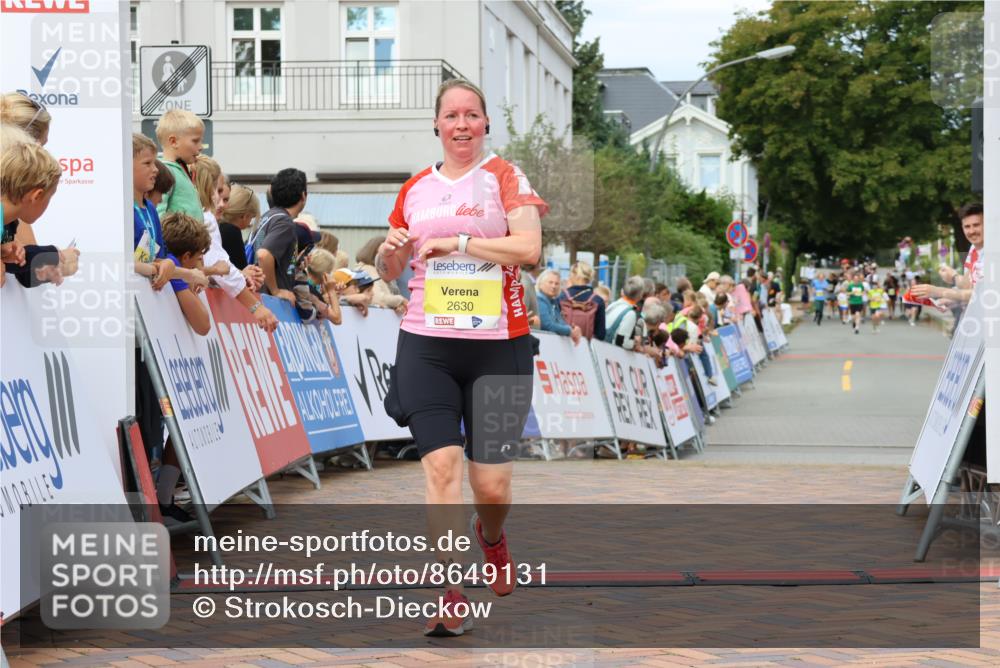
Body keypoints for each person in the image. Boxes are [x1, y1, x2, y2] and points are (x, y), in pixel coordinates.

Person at [373, 79, 545, 637]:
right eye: (452, 115)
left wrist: (463, 244)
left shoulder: (505, 178)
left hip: (499, 347)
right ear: (437, 125)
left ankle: (491, 537)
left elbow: (529, 250)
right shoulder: (416, 189)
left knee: (491, 486)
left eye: (472, 114)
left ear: (486, 123)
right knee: (441, 468)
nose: (462, 124)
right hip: (427, 344)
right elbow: (389, 271)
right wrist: (387, 255)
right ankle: (451, 592)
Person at [194, 155, 277, 332]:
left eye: (226, 198)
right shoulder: (208, 220)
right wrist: (256, 307)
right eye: (218, 191)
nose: (220, 202)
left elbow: (220, 269)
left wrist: (238, 273)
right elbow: (218, 267)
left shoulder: (205, 219)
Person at [1, 138, 77, 288]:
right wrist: (54, 254)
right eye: (50, 197)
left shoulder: (8, 222)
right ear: (37, 196)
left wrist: (3, 254)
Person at [250, 168, 309, 306]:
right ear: (303, 196)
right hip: (271, 303)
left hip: (258, 297)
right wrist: (276, 291)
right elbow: (264, 255)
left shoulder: (267, 217)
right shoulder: (284, 223)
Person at [911, 203, 983, 305]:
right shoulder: (973, 249)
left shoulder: (993, 252)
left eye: (976, 225)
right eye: (967, 226)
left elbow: (984, 294)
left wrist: (938, 291)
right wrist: (953, 300)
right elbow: (969, 287)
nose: (971, 231)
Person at [160, 212, 212, 336]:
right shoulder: (173, 265)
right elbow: (203, 326)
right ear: (186, 256)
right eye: (198, 257)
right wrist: (190, 280)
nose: (199, 263)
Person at [155, 109, 205, 221]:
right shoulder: (166, 172)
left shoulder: (180, 171)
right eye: (195, 141)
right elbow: (158, 214)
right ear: (173, 141)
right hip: (178, 239)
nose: (201, 146)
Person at [355, 235, 408, 315]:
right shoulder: (368, 270)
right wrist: (401, 300)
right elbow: (376, 298)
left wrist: (398, 306)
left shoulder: (382, 274)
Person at [560, 261, 605, 340]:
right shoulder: (598, 300)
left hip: (563, 344)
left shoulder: (561, 297)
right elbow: (601, 334)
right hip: (586, 347)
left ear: (573, 275)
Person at [536, 269, 581, 343]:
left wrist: (572, 329)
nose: (553, 286)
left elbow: (559, 322)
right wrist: (570, 330)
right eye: (550, 282)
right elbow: (547, 325)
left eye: (557, 283)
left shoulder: (553, 302)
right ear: (541, 283)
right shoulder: (539, 299)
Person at [218, 183, 257, 270]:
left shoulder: (215, 224)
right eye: (252, 216)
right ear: (244, 216)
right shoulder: (232, 232)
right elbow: (240, 269)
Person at [604, 276, 645, 349]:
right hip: (611, 353)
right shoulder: (630, 313)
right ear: (640, 295)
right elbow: (621, 341)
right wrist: (635, 343)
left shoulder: (613, 305)